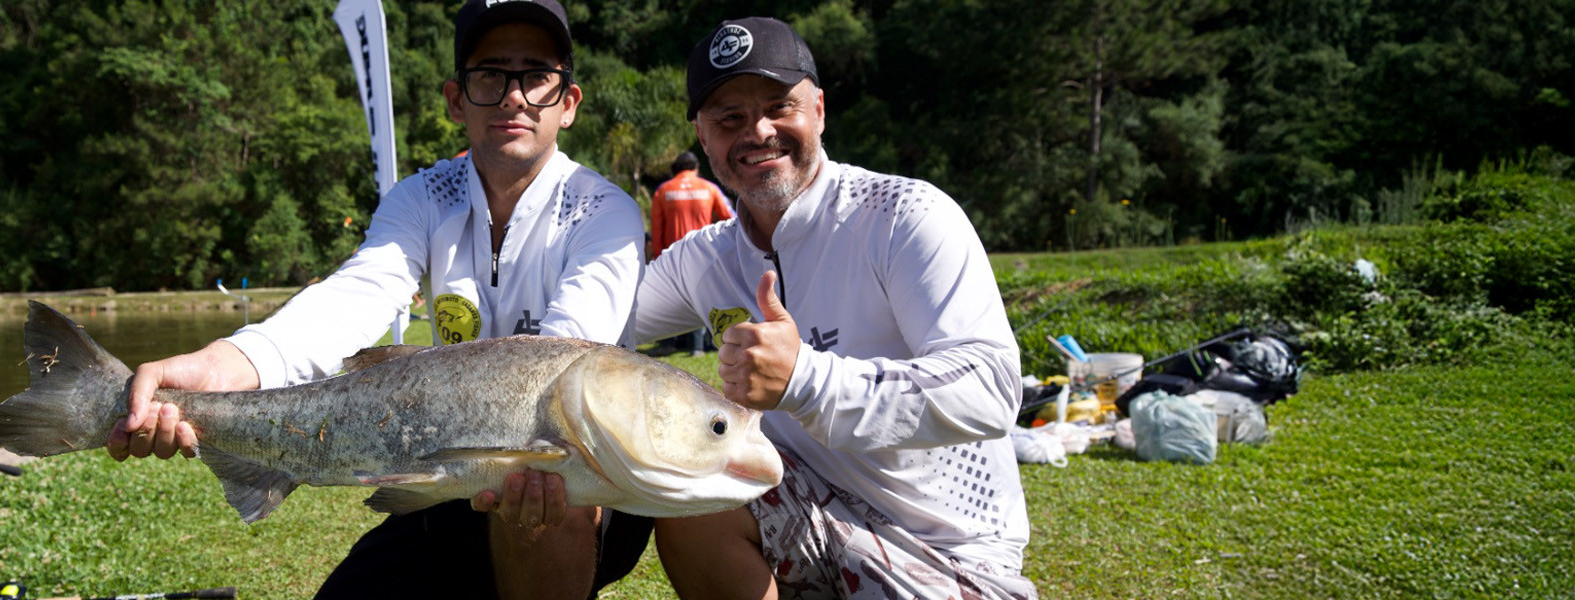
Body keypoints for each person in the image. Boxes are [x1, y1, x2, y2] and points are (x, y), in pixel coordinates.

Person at [107, 1, 651, 598]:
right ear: (455, 99)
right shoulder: (421, 197)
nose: (513, 96)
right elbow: (358, 294)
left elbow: (562, 361)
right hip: (450, 478)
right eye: (490, 74)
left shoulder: (606, 211)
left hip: (574, 480)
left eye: (537, 76)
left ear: (567, 103)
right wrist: (226, 364)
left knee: (549, 487)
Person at [635, 17, 1039, 600]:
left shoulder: (904, 215)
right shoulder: (705, 258)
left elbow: (992, 386)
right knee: (692, 482)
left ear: (819, 110)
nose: (759, 131)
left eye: (780, 106)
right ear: (704, 137)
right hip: (807, 516)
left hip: (946, 549)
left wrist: (805, 377)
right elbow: (597, 326)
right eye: (730, 119)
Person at [649, 151, 732, 261]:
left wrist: (658, 258)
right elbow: (731, 219)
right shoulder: (711, 189)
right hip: (704, 256)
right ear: (696, 168)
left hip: (673, 260)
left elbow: (656, 230)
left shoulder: (662, 191)